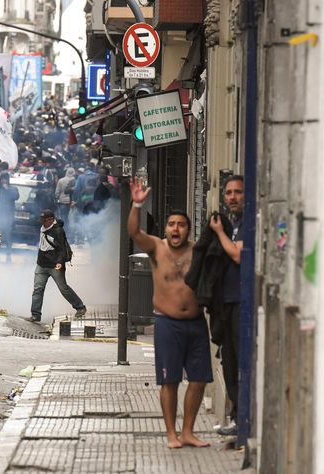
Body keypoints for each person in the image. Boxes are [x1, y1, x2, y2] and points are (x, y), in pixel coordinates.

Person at [128, 177, 211, 449]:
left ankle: (188, 431)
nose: (176, 229)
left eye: (181, 224)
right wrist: (137, 204)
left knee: (198, 381)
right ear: (166, 228)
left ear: (188, 229)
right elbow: (134, 233)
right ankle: (171, 433)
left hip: (196, 323)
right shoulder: (156, 248)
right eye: (172, 224)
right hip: (168, 324)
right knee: (170, 381)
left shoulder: (197, 250)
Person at [210, 175, 244, 436]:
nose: (232, 197)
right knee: (229, 362)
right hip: (225, 304)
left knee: (241, 361)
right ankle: (235, 417)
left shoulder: (243, 225)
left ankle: (242, 419)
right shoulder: (229, 223)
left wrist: (220, 233)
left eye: (238, 192)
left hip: (241, 303)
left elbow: (236, 254)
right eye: (229, 193)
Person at [29, 209, 86, 323]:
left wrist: (59, 262)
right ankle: (35, 315)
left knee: (63, 288)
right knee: (38, 289)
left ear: (50, 220)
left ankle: (80, 307)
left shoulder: (58, 231)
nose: (42, 222)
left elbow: (62, 250)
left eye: (44, 220)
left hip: (54, 265)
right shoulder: (42, 227)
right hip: (41, 264)